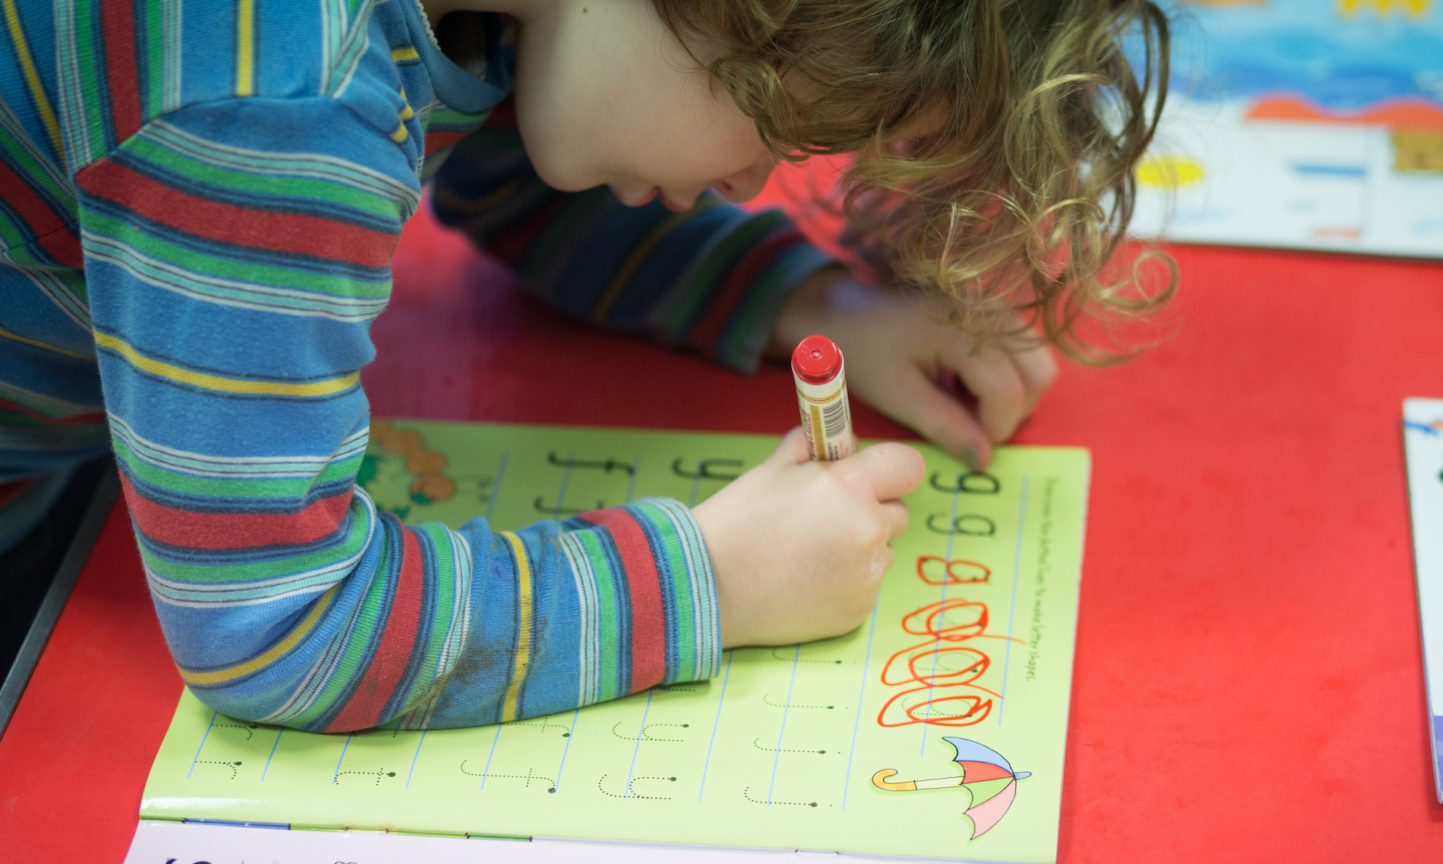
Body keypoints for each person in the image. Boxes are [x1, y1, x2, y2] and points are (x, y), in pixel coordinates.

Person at [0, 0, 1171, 731]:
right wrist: (709, 580)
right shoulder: (267, 97)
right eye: (778, 132)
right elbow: (281, 627)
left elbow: (517, 164)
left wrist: (808, 300)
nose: (752, 183)